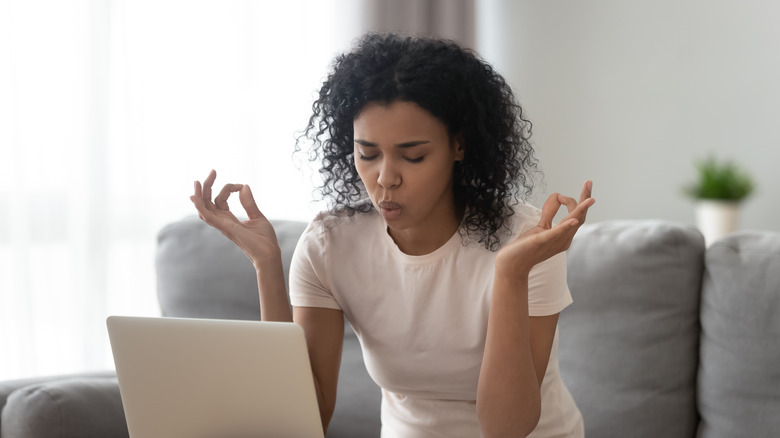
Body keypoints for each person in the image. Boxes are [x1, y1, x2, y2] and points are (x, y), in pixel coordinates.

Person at [190, 33, 594, 438]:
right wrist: (266, 267)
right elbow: (301, 419)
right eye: (367, 154)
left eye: (413, 156)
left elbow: (505, 429)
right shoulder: (329, 246)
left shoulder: (524, 240)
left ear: (459, 146)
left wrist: (509, 273)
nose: (385, 178)